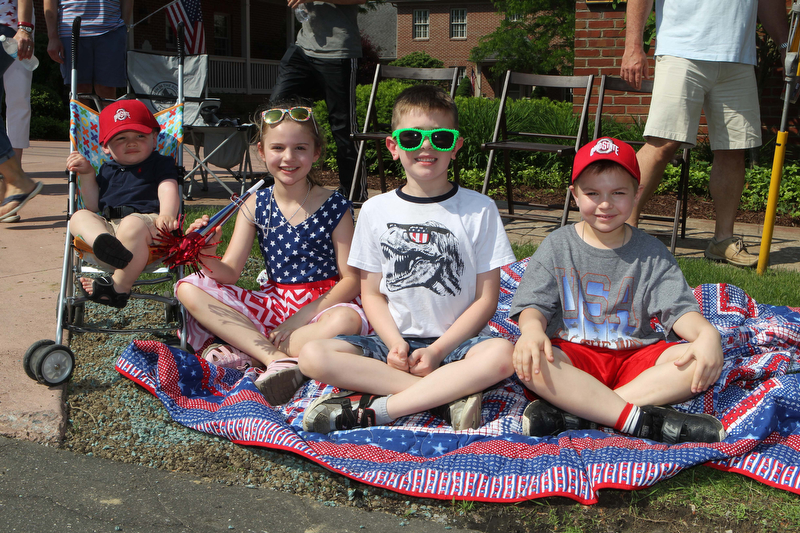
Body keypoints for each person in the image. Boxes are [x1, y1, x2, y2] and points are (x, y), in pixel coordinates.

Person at [298, 85, 517, 434]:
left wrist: (439, 350)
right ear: (393, 146)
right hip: (393, 343)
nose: (426, 146)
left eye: (441, 138)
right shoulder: (374, 209)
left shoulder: (480, 209)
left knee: (504, 355)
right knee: (312, 355)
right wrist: (396, 344)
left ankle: (384, 407)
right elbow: (371, 293)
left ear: (456, 147)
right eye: (413, 137)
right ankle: (444, 396)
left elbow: (486, 298)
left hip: (459, 345)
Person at [510, 137, 726, 444]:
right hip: (574, 357)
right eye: (592, 193)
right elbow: (533, 305)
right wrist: (531, 331)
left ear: (637, 194)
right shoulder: (557, 245)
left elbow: (678, 310)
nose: (605, 204)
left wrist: (708, 335)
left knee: (697, 361)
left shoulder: (651, 251)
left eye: (618, 193)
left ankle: (583, 414)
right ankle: (637, 419)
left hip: (635, 359)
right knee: (530, 361)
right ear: (574, 194)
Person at [176, 98, 369, 406]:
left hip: (324, 306)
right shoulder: (255, 204)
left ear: (316, 153)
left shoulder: (334, 205)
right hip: (275, 304)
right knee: (187, 288)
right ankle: (276, 359)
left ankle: (248, 350)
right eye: (278, 148)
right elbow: (230, 273)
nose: (288, 157)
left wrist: (301, 317)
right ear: (262, 152)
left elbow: (351, 279)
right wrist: (206, 252)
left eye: (300, 148)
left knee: (346, 322)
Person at [620, 0, 790, 268]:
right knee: (663, 143)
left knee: (733, 149)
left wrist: (784, 45)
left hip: (738, 57)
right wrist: (633, 46)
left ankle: (722, 241)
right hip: (681, 50)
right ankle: (622, 229)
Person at [66, 99, 180, 309]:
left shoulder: (159, 163)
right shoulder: (106, 170)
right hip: (111, 230)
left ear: (154, 139)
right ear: (105, 147)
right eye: (121, 138)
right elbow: (93, 205)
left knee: (131, 224)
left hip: (149, 229)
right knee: (79, 216)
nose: (131, 142)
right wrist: (88, 174)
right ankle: (104, 242)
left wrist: (167, 214)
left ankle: (119, 288)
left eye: (140, 135)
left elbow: (167, 186)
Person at [271, 0, 368, 202]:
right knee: (277, 111)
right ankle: (285, 183)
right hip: (303, 48)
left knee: (343, 125)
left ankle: (354, 193)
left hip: (338, 51)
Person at [0, 0, 41, 224]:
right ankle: (9, 190)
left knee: (17, 103)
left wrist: (24, 27)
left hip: (11, 28)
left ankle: (15, 184)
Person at [44, 0, 132, 103]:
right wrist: (52, 37)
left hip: (111, 28)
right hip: (72, 29)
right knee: (80, 90)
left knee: (107, 89)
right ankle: (81, 120)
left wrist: (125, 23)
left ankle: (107, 119)